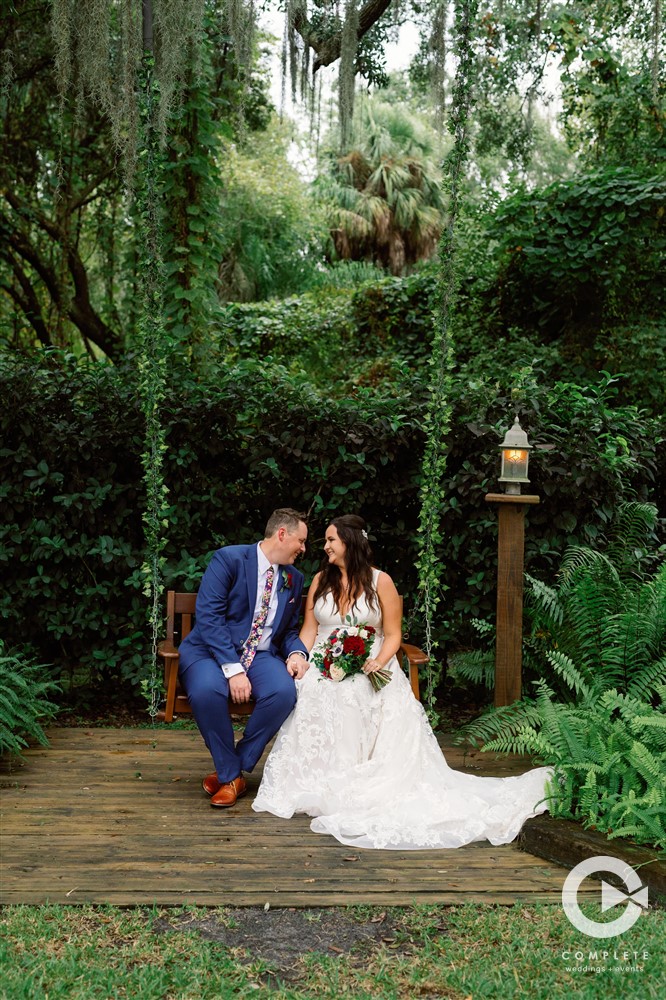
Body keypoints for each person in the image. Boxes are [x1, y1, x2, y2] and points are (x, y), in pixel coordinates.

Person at [253, 514, 554, 849]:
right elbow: (309, 629)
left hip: (371, 657)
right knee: (308, 688)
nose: (324, 547)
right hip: (324, 657)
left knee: (355, 692)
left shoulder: (381, 582)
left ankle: (351, 781)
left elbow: (394, 635)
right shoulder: (321, 580)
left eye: (330, 540)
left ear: (349, 543)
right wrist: (301, 658)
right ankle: (312, 781)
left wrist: (376, 662)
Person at [179, 508, 310, 808]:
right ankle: (230, 776)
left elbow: (289, 629)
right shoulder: (230, 559)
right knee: (206, 691)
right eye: (300, 541)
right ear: (282, 534)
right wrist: (233, 669)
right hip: (210, 651)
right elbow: (209, 617)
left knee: (283, 693)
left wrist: (295, 653)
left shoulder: (294, 577)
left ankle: (233, 770)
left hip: (261, 654)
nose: (303, 548)